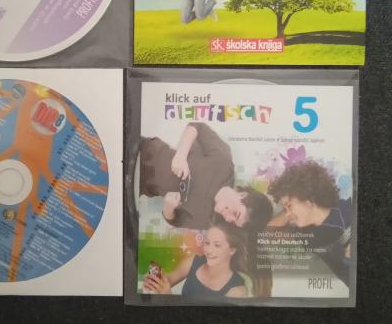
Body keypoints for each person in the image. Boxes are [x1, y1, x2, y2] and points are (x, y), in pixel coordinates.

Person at [139, 122, 273, 231]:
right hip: (144, 151)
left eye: (233, 222)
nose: (228, 219)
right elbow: (197, 127)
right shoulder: (224, 162)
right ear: (242, 195)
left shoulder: (207, 222)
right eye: (236, 214)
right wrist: (181, 155)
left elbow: (174, 221)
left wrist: (168, 208)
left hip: (142, 187)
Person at [267, 160, 352, 284]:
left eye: (289, 206)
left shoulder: (348, 206)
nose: (287, 214)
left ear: (309, 200)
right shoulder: (310, 236)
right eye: (285, 209)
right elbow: (269, 231)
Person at [142, 222, 252, 299]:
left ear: (232, 250)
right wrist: (155, 281)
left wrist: (169, 298)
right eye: (207, 243)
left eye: (217, 245)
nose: (209, 250)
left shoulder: (237, 291)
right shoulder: (194, 261)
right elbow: (168, 280)